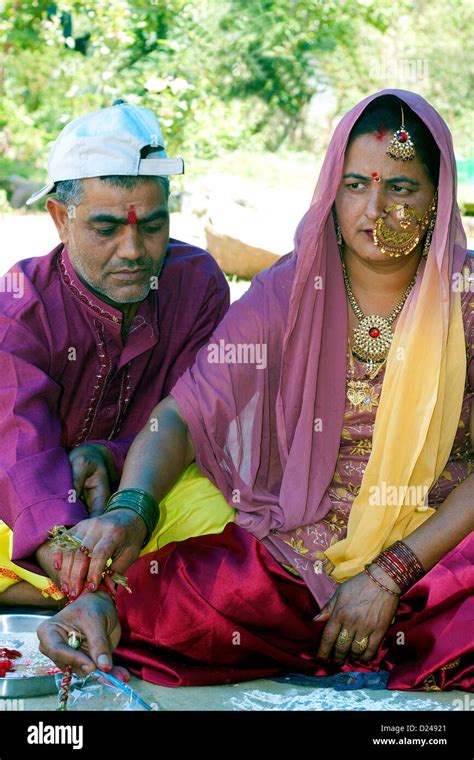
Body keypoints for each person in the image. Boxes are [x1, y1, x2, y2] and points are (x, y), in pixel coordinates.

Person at [38, 89, 473, 692]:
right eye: (354, 185)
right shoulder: (288, 293)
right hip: (305, 552)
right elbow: (185, 416)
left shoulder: (466, 299)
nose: (375, 210)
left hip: (440, 548)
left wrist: (391, 573)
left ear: (438, 194)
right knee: (162, 607)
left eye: (401, 188)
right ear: (331, 188)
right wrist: (132, 507)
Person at [0, 100, 232, 608]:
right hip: (24, 505)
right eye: (106, 229)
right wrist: (68, 550)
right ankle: (103, 591)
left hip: (146, 495)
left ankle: (53, 594)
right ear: (61, 219)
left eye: (151, 226)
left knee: (227, 517)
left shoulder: (196, 285)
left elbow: (198, 419)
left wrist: (113, 461)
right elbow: (19, 453)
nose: (132, 250)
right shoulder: (20, 304)